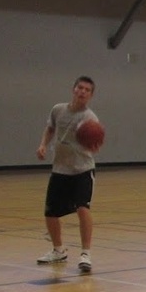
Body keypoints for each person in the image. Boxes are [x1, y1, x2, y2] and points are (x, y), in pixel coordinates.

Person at [36, 76, 100, 273]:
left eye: (87, 90)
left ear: (91, 95)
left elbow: (95, 145)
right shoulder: (58, 109)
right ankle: (58, 250)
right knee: (51, 213)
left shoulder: (90, 118)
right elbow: (50, 128)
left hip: (82, 169)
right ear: (73, 89)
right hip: (60, 169)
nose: (82, 91)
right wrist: (43, 145)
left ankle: (86, 254)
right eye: (80, 88)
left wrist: (91, 142)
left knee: (82, 208)